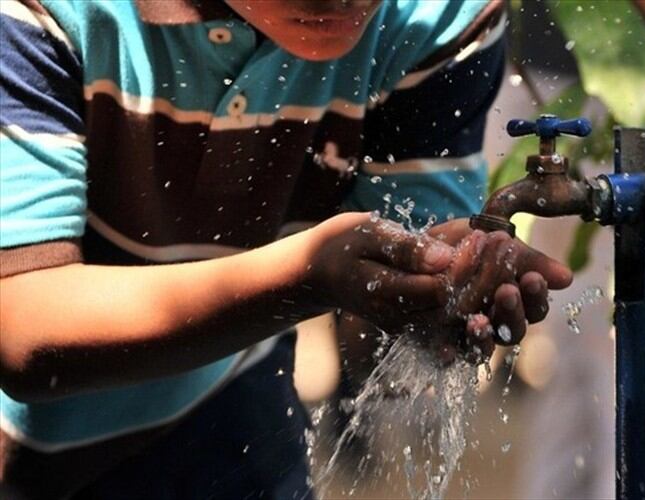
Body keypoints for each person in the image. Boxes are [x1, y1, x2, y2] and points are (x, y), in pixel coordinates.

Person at [0, 0, 572, 498]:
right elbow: (22, 323)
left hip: (226, 397)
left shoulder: (435, 14)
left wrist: (443, 286)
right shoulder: (49, 12)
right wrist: (305, 276)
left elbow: (406, 264)